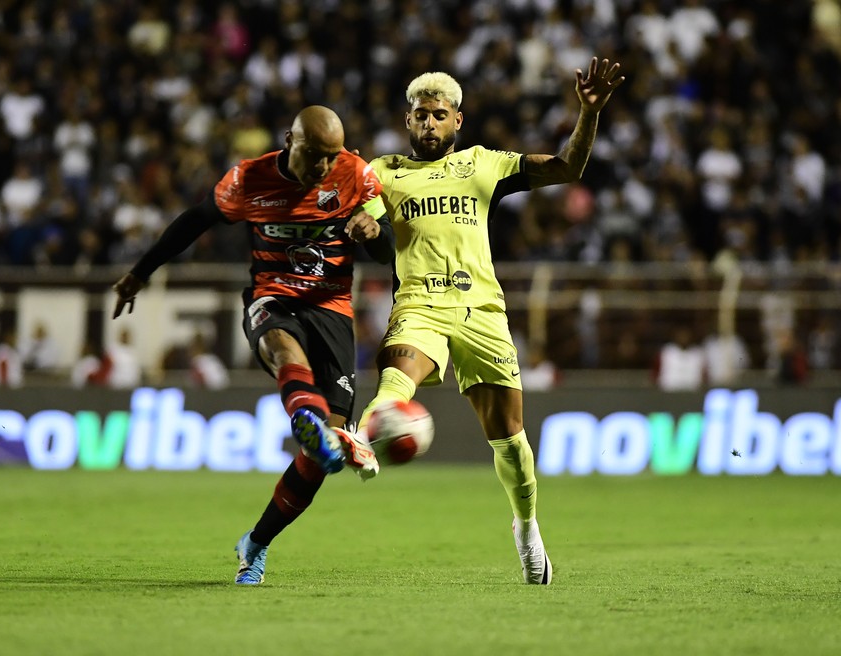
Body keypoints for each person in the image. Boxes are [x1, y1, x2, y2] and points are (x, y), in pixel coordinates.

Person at [354, 58, 625, 585]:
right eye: (419, 115)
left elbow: (568, 168)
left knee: (510, 439)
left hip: (482, 311)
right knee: (397, 373)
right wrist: (364, 223)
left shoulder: (485, 164)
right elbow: (367, 221)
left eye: (438, 114)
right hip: (419, 303)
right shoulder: (384, 174)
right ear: (407, 122)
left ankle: (526, 529)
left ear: (458, 120)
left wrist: (588, 114)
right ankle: (365, 433)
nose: (428, 123)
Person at [111, 105, 394, 585]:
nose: (323, 167)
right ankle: (303, 417)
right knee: (285, 351)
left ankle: (256, 543)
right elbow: (195, 220)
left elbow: (389, 247)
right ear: (289, 140)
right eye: (314, 155)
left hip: (332, 309)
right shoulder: (250, 178)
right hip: (273, 297)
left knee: (322, 458)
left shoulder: (357, 176)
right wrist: (142, 271)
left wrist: (373, 231)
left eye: (331, 157)